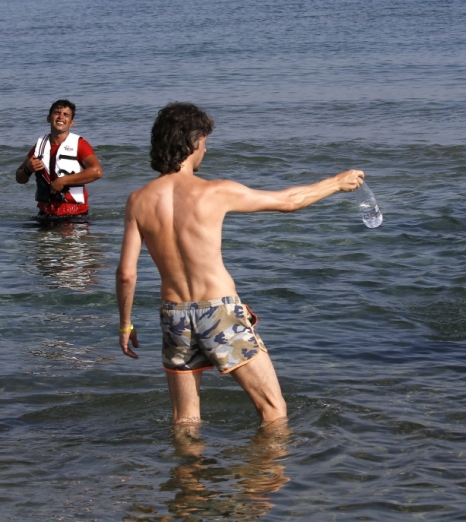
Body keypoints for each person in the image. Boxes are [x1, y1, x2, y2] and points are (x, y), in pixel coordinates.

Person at [116, 102, 365, 425]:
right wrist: (336, 182)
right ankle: (263, 476)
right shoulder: (214, 192)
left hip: (174, 315)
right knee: (273, 410)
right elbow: (288, 201)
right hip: (218, 311)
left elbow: (126, 274)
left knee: (186, 419)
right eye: (204, 141)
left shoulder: (138, 200)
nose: (205, 149)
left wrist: (125, 324)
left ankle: (188, 476)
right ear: (192, 142)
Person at [15, 100, 103, 220]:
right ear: (48, 118)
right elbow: (19, 178)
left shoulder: (80, 144)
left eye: (66, 115)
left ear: (71, 123)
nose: (61, 116)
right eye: (57, 112)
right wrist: (27, 170)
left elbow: (96, 171)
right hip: (44, 214)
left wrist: (63, 181)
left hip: (75, 215)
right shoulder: (40, 145)